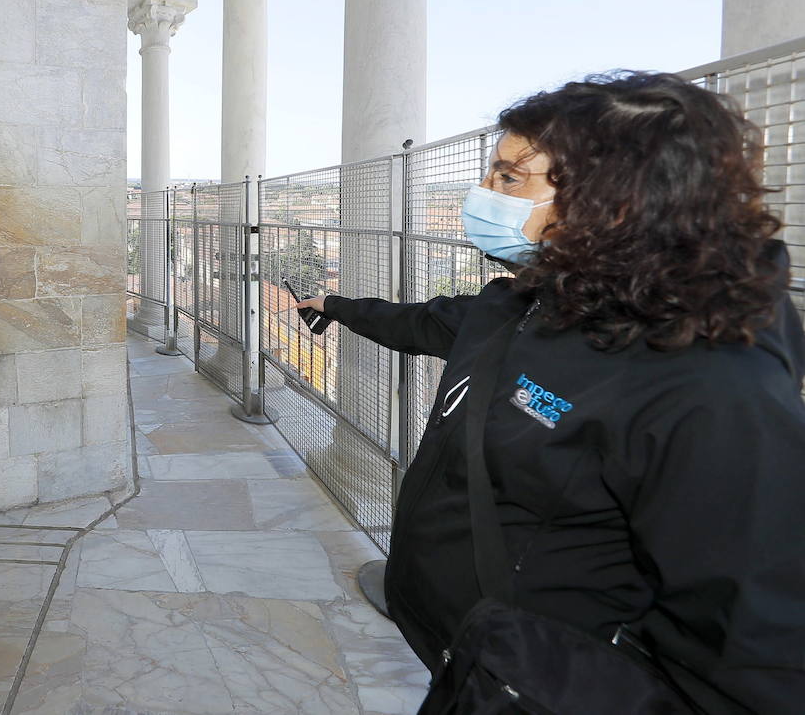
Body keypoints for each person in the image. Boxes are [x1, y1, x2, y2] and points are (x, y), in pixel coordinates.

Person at [295, 72, 805, 714]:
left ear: (615, 200)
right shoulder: (526, 304)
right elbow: (423, 323)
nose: (482, 195)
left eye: (510, 178)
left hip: (543, 686)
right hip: (476, 664)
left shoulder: (713, 387)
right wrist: (336, 306)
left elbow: (750, 650)